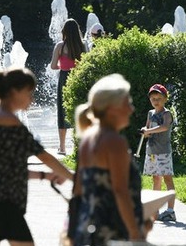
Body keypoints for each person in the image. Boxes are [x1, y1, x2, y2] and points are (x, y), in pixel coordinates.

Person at [0, 67, 72, 246]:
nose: (32, 99)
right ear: (15, 92)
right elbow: (44, 156)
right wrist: (75, 178)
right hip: (2, 202)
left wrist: (45, 176)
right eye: (29, 93)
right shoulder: (7, 120)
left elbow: (7, 168)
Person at [71, 74, 145, 245]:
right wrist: (136, 234)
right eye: (128, 103)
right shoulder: (114, 142)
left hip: (88, 229)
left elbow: (78, 189)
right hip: (112, 232)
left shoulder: (88, 138)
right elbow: (120, 191)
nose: (131, 109)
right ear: (112, 108)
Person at [49, 18, 86, 155]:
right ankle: (80, 145)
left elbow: (53, 66)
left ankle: (62, 147)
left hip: (64, 79)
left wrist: (63, 64)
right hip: (78, 78)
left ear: (64, 31)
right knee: (79, 110)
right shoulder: (83, 45)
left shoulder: (60, 46)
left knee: (62, 111)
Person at [141, 83, 176, 222]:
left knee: (167, 179)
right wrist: (145, 130)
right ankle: (155, 210)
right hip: (152, 152)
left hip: (163, 152)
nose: (156, 101)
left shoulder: (166, 114)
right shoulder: (150, 113)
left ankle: (170, 211)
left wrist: (149, 131)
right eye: (153, 98)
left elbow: (165, 127)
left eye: (159, 98)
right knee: (155, 178)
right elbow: (148, 127)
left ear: (165, 99)